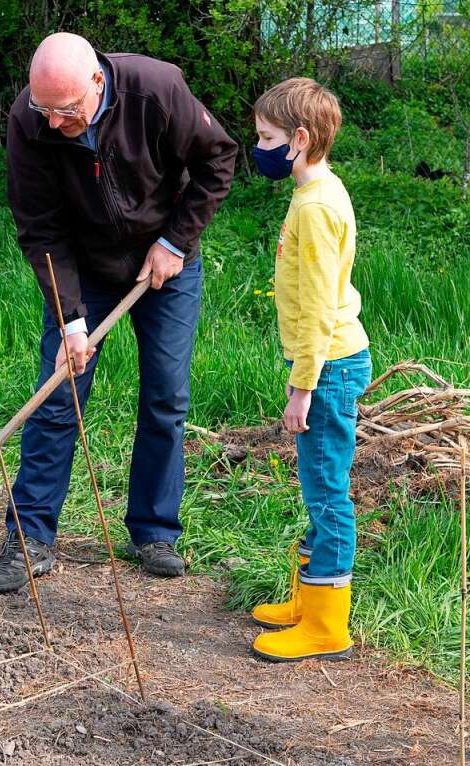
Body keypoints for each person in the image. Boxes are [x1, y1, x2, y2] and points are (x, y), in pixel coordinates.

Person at [0, 32, 237, 593]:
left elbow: (218, 159)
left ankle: (153, 529)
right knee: (58, 393)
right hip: (83, 267)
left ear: (97, 82)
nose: (53, 123)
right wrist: (71, 320)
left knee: (166, 395)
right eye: (44, 109)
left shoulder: (157, 88)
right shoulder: (31, 120)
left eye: (66, 110)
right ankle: (29, 538)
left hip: (163, 261)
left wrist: (175, 243)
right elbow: (40, 229)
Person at [249, 77, 371, 662]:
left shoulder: (318, 207)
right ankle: (308, 599)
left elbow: (321, 307)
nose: (260, 148)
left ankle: (327, 624)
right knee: (316, 483)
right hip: (327, 362)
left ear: (299, 139)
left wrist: (303, 387)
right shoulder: (311, 194)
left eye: (267, 138)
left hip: (331, 365)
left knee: (327, 491)